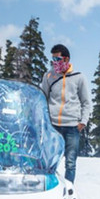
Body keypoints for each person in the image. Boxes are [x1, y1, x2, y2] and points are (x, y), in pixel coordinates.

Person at [40, 44, 92, 183]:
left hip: (72, 126)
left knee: (70, 163)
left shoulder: (79, 77)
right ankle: (49, 189)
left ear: (66, 59)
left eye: (57, 59)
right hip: (53, 125)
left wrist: (83, 122)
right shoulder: (49, 76)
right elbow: (43, 98)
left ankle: (69, 190)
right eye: (52, 59)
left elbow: (86, 102)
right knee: (49, 161)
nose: (54, 63)